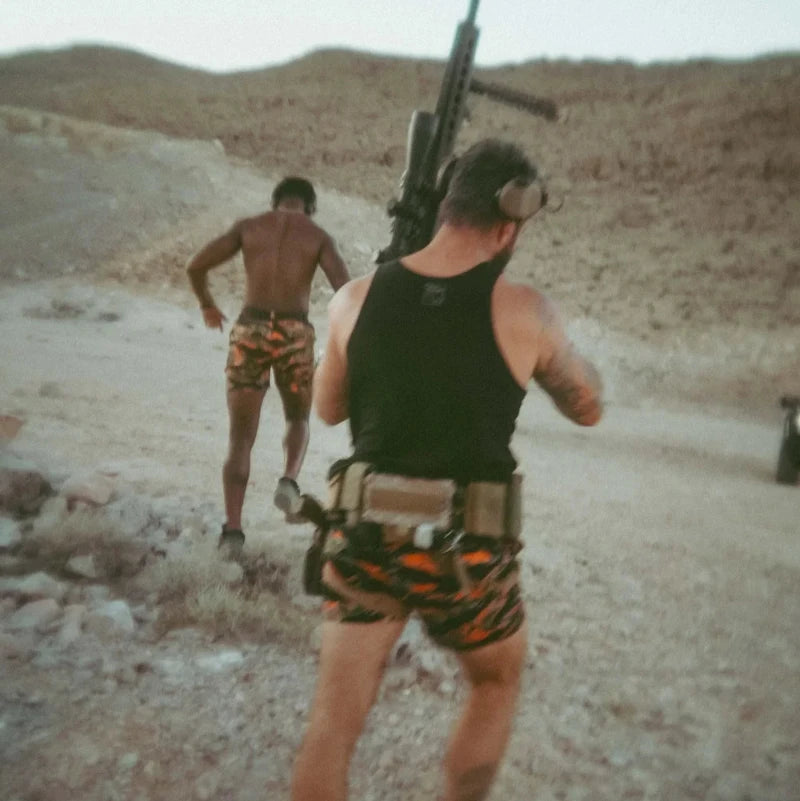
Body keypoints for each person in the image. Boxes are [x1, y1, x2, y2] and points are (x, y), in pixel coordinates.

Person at [291, 139, 603, 801]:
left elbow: (326, 409)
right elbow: (589, 407)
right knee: (494, 680)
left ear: (443, 206)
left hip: (364, 532)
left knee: (333, 723)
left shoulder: (352, 298)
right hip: (466, 550)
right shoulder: (526, 309)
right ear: (510, 220)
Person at [186, 176, 350, 556]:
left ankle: (232, 532)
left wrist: (207, 304)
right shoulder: (317, 235)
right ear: (309, 206)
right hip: (294, 333)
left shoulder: (249, 227)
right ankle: (289, 480)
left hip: (251, 330)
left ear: (275, 200)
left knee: (240, 438)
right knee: (298, 418)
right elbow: (345, 291)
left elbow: (196, 266)